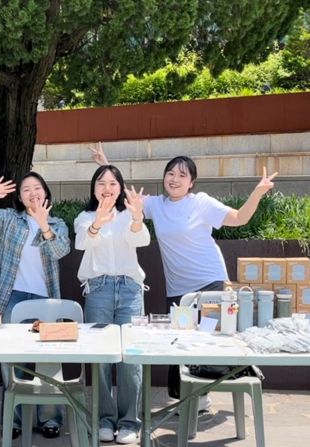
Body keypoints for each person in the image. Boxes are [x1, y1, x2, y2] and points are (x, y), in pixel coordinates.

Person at [90, 144, 276, 407]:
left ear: (191, 183)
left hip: (210, 283)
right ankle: (182, 396)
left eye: (182, 175)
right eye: (170, 174)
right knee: (178, 342)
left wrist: (258, 191)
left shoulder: (201, 203)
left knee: (208, 338)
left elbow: (239, 218)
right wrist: (104, 164)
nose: (174, 179)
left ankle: (212, 389)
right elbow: (122, 195)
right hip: (178, 290)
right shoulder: (157, 205)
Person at [0, 172, 71, 438]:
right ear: (20, 197)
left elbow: (59, 251)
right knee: (13, 359)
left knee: (49, 359)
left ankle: (50, 418)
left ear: (46, 193)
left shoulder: (57, 224)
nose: (33, 193)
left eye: (37, 188)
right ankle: (13, 419)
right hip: (12, 297)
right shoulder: (10, 221)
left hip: (45, 299)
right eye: (26, 189)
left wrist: (44, 225)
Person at [74, 164, 150, 445]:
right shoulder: (84, 217)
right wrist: (98, 222)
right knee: (101, 358)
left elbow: (139, 239)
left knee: (131, 358)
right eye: (101, 183)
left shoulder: (128, 214)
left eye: (113, 183)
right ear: (94, 189)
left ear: (120, 188)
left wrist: (137, 217)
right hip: (99, 289)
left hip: (130, 290)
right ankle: (105, 419)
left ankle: (130, 422)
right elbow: (83, 242)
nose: (107, 188)